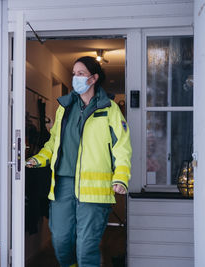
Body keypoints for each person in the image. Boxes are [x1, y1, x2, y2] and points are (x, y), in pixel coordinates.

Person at [26, 56, 132, 267]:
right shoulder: (64, 108)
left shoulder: (109, 109)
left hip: (95, 191)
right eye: (74, 73)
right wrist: (39, 159)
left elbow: (122, 147)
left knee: (86, 247)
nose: (75, 78)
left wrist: (121, 177)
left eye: (80, 74)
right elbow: (53, 144)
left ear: (93, 79)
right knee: (60, 240)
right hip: (63, 185)